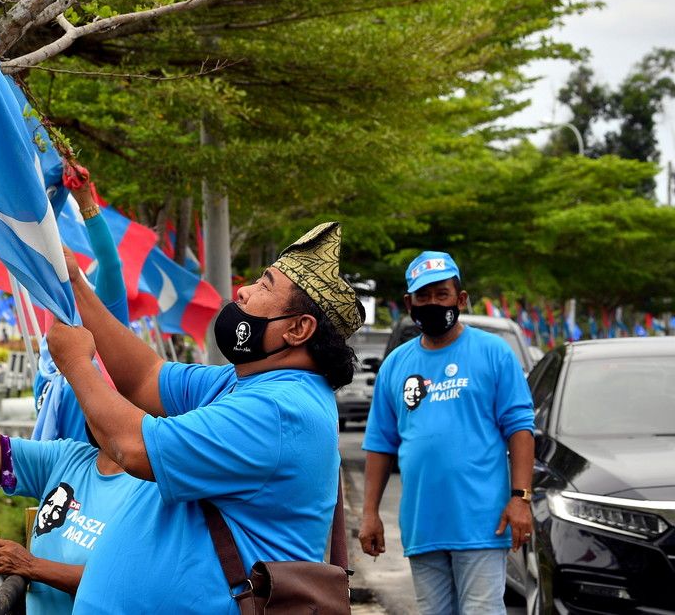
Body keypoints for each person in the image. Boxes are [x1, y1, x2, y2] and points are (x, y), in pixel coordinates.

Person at [45, 221, 362, 614]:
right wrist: (76, 284)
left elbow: (132, 448)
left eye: (265, 286)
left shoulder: (278, 410)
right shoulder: (247, 382)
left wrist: (76, 364)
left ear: (298, 329)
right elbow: (146, 377)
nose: (243, 290)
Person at [358, 251, 534, 615]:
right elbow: (380, 443)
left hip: (482, 523)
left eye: (442, 294)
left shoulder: (493, 353)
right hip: (423, 526)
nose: (433, 303)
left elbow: (520, 429)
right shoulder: (396, 364)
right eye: (423, 297)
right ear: (409, 303)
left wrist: (521, 498)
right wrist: (370, 513)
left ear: (461, 298)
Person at [0, 328, 148, 615]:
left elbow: (127, 581)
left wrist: (30, 566)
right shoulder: (69, 457)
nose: (92, 408)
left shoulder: (152, 489)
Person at [33, 162, 130, 442]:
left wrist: (85, 200)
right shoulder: (48, 361)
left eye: (79, 279)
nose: (68, 281)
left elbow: (110, 265)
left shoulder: (108, 328)